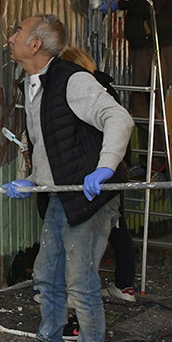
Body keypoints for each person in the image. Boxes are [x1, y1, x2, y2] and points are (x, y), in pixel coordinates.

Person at [0, 16, 133, 342]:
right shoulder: (33, 84)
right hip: (62, 194)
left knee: (80, 281)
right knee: (47, 274)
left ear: (36, 45)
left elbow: (119, 119)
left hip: (92, 197)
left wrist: (105, 167)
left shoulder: (73, 80)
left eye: (18, 32)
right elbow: (50, 147)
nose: (11, 37)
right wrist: (32, 180)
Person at [60, 46, 137, 303]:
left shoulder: (85, 91)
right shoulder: (104, 87)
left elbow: (119, 123)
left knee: (99, 238)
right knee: (115, 229)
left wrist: (106, 167)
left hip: (101, 176)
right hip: (111, 173)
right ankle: (123, 286)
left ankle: (83, 309)